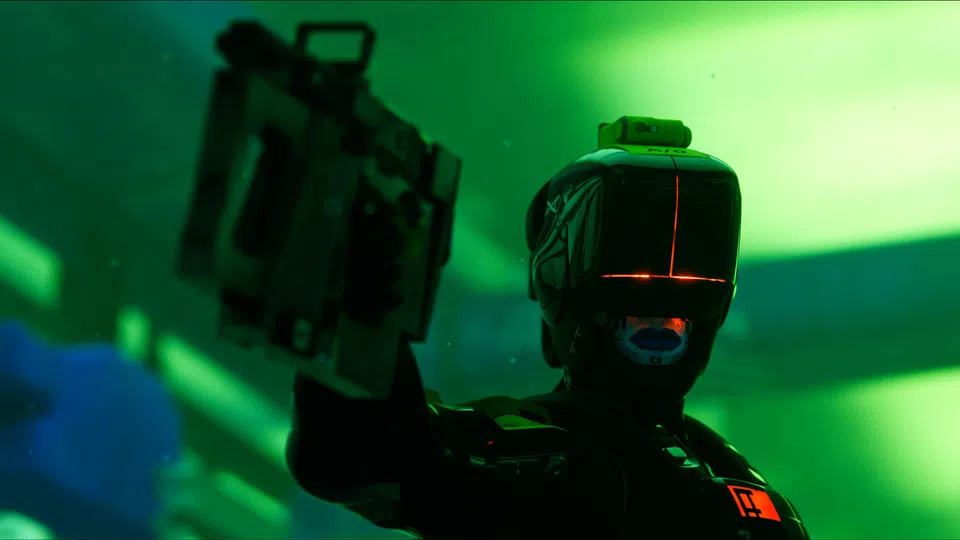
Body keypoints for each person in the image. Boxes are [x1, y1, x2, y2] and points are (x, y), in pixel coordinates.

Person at [287, 117, 810, 540]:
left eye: (690, 259)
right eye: (634, 257)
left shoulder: (724, 470)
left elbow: (377, 460)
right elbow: (366, 459)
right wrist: (359, 307)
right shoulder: (542, 454)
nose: (663, 289)